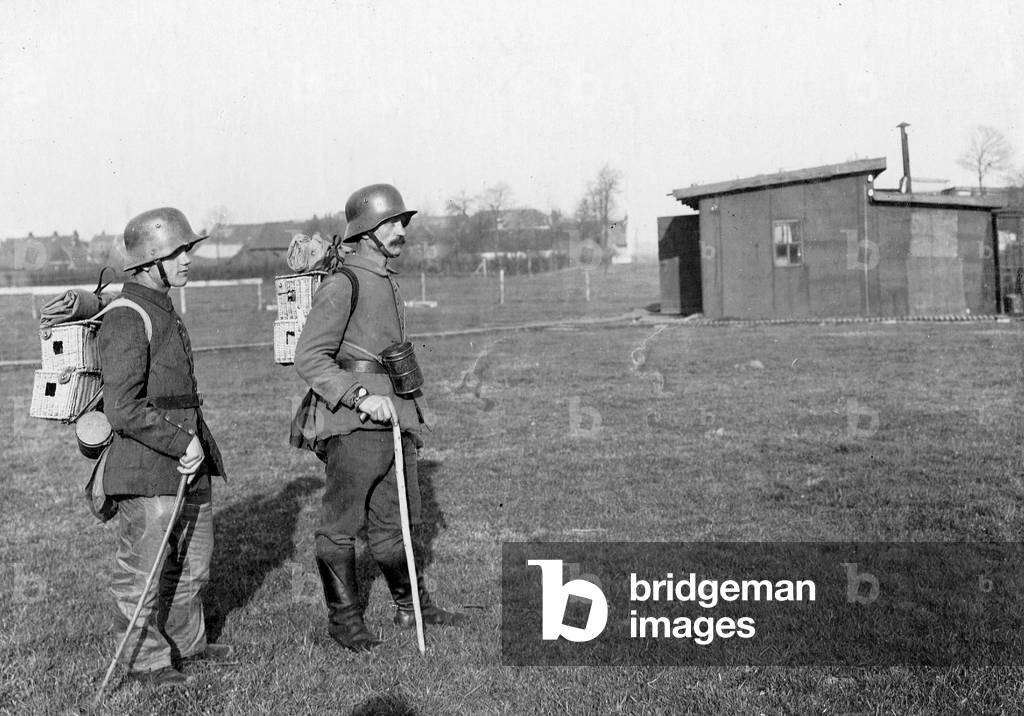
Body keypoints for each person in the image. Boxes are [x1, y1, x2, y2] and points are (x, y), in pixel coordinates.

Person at [292, 183, 465, 652]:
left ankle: (413, 608)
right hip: (354, 424)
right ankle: (344, 621)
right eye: (388, 222)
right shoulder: (343, 282)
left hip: (395, 418)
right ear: (364, 232)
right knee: (341, 524)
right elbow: (310, 356)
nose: (399, 229)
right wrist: (359, 396)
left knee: (397, 522)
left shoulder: (384, 278)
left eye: (401, 221)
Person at [98, 207, 230, 688]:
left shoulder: (163, 307)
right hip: (146, 465)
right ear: (148, 262)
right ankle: (145, 660)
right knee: (142, 574)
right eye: (177, 252)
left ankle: (187, 643)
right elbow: (123, 409)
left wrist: (190, 447)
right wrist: (181, 442)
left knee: (193, 563)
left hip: (186, 461)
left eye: (187, 249)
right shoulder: (126, 316)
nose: (188, 259)